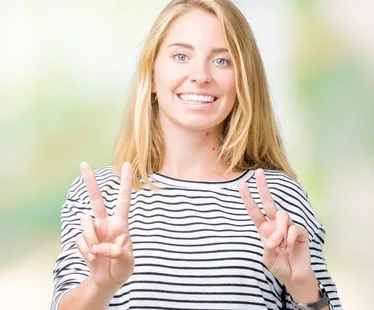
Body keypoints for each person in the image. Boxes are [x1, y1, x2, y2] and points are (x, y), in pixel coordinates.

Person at [50, 0, 342, 309]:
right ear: (151, 73)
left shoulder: (279, 196)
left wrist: (303, 286)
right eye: (181, 56)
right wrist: (100, 285)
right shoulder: (100, 195)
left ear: (243, 79)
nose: (200, 75)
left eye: (221, 61)